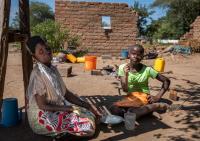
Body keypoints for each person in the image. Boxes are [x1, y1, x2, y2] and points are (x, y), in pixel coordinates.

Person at [26, 36, 100, 137]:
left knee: (89, 113)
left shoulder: (52, 69)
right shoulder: (37, 75)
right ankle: (63, 132)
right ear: (35, 57)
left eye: (46, 48)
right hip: (42, 116)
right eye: (41, 52)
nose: (46, 52)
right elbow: (42, 106)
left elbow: (65, 93)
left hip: (54, 109)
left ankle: (66, 129)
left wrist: (87, 105)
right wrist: (68, 108)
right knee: (88, 127)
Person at [110, 44, 170, 118]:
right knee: (113, 109)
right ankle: (148, 111)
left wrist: (157, 97)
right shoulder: (122, 68)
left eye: (139, 54)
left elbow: (166, 81)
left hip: (143, 96)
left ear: (142, 57)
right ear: (128, 55)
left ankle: (157, 106)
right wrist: (126, 74)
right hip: (130, 96)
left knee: (131, 113)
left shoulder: (148, 70)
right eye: (133, 54)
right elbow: (125, 89)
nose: (135, 56)